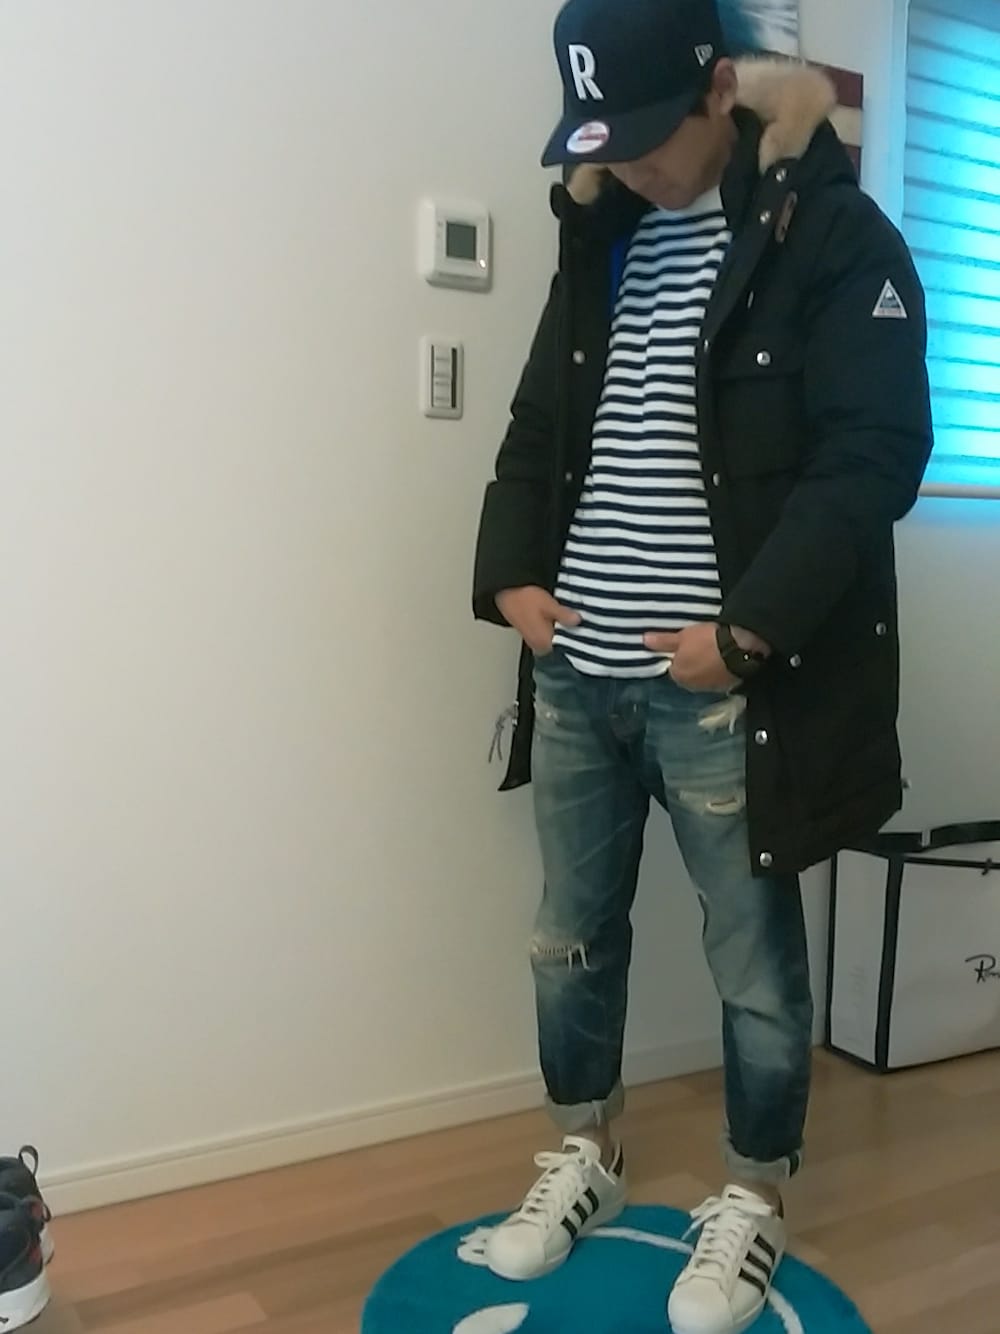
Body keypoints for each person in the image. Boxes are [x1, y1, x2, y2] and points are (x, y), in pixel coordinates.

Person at [471, 0, 933, 1330]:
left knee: (753, 963)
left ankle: (754, 1195)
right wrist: (509, 575)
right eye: (603, 140)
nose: (628, 163)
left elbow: (873, 456)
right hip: (577, 667)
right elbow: (542, 417)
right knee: (568, 937)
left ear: (720, 88)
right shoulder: (599, 231)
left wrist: (745, 637)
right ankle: (585, 1152)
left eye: (649, 135)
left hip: (720, 682)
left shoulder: (832, 235)